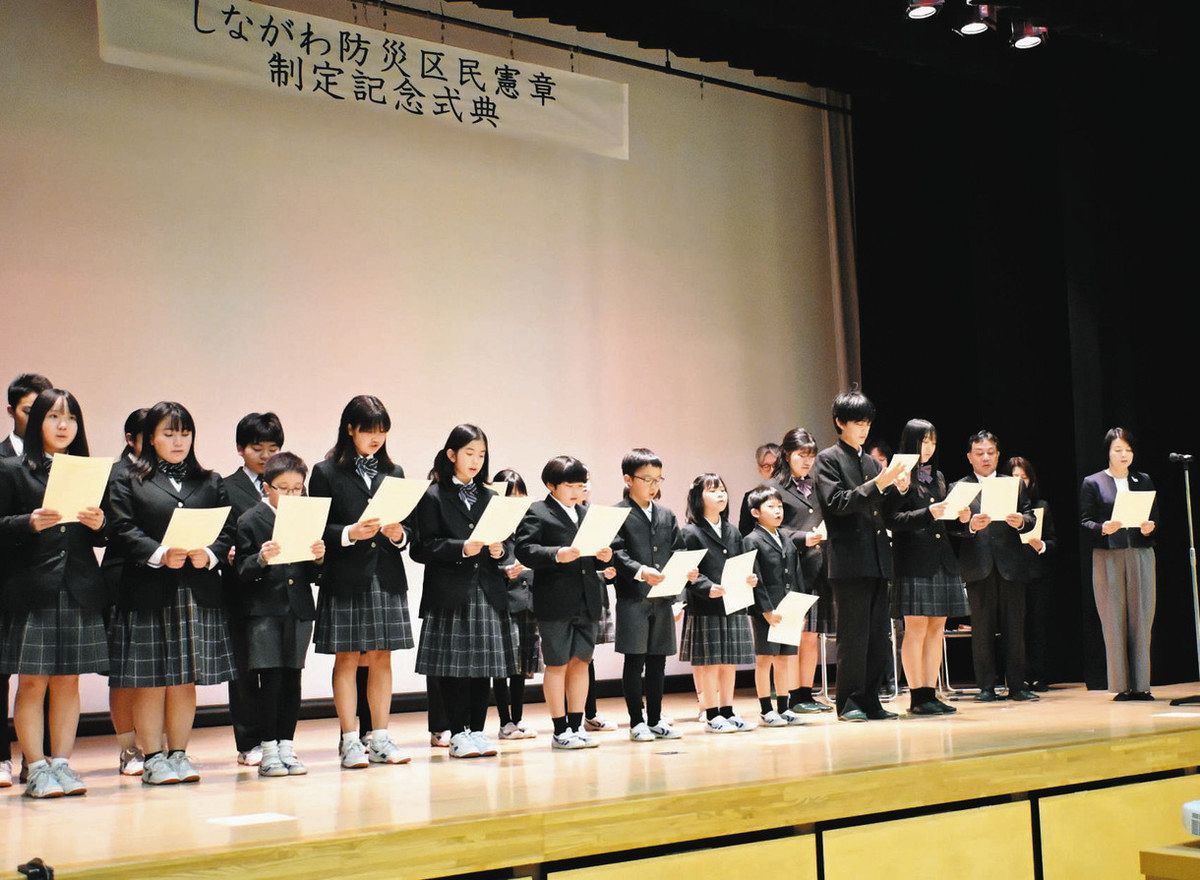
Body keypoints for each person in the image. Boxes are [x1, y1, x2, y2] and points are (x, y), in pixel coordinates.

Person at [107, 401, 238, 785]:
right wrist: (160, 553)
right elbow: (122, 528)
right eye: (168, 433)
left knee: (184, 679)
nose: (178, 441)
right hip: (147, 590)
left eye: (184, 433)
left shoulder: (210, 480)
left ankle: (179, 753)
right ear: (151, 438)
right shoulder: (128, 478)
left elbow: (228, 529)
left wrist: (209, 554)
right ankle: (152, 757)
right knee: (151, 680)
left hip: (195, 590)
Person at [0, 389, 108, 798]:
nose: (64, 426)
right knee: (32, 682)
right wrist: (27, 522)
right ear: (36, 422)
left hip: (78, 585)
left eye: (71, 418)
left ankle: (61, 762)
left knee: (68, 682)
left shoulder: (87, 470)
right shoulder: (12, 470)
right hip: (32, 588)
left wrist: (100, 524)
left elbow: (104, 535)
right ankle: (35, 766)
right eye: (54, 417)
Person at [309, 395, 414, 769]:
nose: (376, 438)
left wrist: (400, 534)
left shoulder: (394, 472)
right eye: (369, 430)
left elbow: (408, 530)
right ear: (350, 429)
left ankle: (380, 737)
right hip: (346, 576)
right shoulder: (325, 472)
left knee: (383, 656)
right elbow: (316, 527)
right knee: (348, 656)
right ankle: (350, 740)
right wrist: (349, 533)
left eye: (382, 431)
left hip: (385, 574)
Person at [412, 425, 517, 760]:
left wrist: (501, 550)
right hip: (450, 591)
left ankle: (477, 730)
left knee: (483, 666)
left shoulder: (492, 496)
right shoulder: (433, 495)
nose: (476, 460)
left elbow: (508, 543)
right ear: (451, 454)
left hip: (487, 589)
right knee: (454, 667)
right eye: (469, 453)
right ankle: (457, 732)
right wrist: (461, 548)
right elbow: (420, 548)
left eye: (481, 454)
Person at [814, 388, 907, 722]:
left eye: (867, 422)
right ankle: (849, 702)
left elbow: (884, 512)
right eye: (857, 422)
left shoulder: (870, 462)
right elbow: (838, 503)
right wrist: (880, 484)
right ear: (840, 422)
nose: (864, 429)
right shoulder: (827, 459)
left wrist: (899, 488)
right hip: (850, 560)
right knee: (853, 637)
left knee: (878, 637)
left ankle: (870, 699)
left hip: (878, 558)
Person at [234, 451, 322, 777]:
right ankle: (268, 749)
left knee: (292, 679)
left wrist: (318, 559)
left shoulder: (306, 518)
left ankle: (287, 745)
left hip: (298, 609)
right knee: (269, 680)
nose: (291, 495)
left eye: (297, 489)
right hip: (264, 612)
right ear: (266, 487)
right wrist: (260, 559)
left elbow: (314, 574)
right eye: (283, 489)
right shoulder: (250, 520)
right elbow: (241, 571)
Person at [514, 455, 611, 750]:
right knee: (557, 664)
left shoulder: (587, 513)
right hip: (555, 601)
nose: (576, 491)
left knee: (581, 662)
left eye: (581, 485)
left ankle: (576, 724)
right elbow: (524, 549)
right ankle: (559, 729)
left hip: (587, 599)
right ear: (551, 485)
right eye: (570, 485)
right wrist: (557, 553)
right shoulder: (538, 511)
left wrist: (604, 556)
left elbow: (595, 556)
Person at [884, 419, 971, 715]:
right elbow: (892, 520)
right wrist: (927, 512)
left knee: (936, 629)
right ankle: (917, 696)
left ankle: (930, 693)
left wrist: (962, 520)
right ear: (910, 442)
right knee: (916, 629)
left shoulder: (938, 476)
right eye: (924, 441)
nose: (929, 447)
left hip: (942, 560)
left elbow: (942, 522)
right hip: (913, 560)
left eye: (933, 442)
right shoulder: (899, 474)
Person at [611, 448, 696, 742]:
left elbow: (678, 551)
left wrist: (681, 588)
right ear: (628, 479)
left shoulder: (666, 514)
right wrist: (640, 571)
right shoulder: (618, 513)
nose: (653, 485)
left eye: (658, 479)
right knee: (635, 660)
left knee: (658, 661)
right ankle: (636, 721)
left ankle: (656, 719)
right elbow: (616, 552)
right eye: (646, 479)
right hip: (633, 598)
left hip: (663, 599)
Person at [953, 430, 1039, 703]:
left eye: (990, 452)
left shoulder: (1013, 484)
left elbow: (1030, 516)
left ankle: (1017, 686)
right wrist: (969, 526)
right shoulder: (960, 487)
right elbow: (950, 527)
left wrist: (1021, 522)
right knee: (982, 630)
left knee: (1015, 628)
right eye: (979, 453)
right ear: (969, 457)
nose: (986, 458)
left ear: (998, 455)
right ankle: (986, 687)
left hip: (1011, 565)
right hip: (978, 566)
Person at [223, 411, 285, 769]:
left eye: (273, 448)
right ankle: (248, 742)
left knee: (279, 670)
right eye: (256, 448)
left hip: (279, 590)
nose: (265, 456)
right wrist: (228, 551)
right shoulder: (225, 486)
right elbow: (219, 532)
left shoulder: (288, 486)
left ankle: (276, 738)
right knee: (244, 669)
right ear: (240, 448)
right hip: (241, 588)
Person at [1079, 427, 1158, 700]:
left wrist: (1150, 527)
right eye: (1118, 450)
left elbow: (1155, 517)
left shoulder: (1143, 480)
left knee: (1142, 617)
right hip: (1108, 555)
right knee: (1113, 619)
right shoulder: (1093, 482)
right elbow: (1085, 521)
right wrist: (1102, 527)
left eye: (1128, 450)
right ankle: (1121, 686)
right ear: (1108, 452)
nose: (1124, 455)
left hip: (1140, 553)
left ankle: (1142, 685)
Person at [0, 372, 52, 788]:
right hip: (7, 577)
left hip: (48, 577)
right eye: (28, 411)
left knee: (48, 672)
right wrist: (26, 523)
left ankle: (41, 759)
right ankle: (1, 755)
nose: (36, 420)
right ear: (11, 411)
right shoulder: (2, 460)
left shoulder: (63, 462)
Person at [680, 473, 756, 732]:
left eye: (722, 489)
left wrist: (749, 578)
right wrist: (705, 587)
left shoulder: (732, 530)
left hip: (732, 603)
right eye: (712, 490)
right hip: (706, 605)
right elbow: (688, 571)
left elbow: (741, 563)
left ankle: (728, 710)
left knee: (729, 661)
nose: (720, 494)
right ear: (698, 497)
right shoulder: (690, 532)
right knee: (710, 662)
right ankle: (712, 714)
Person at [106, 407, 149, 777]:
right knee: (124, 671)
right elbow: (118, 530)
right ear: (130, 439)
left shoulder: (169, 474)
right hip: (124, 577)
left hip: (162, 577)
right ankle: (127, 748)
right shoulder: (117, 473)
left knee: (158, 670)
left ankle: (155, 745)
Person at [743, 485, 806, 727]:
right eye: (771, 506)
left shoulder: (786, 539)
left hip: (788, 607)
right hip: (766, 610)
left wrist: (799, 607)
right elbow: (755, 578)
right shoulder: (751, 540)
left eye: (779, 506)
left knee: (783, 659)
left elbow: (797, 574)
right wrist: (766, 610)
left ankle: (784, 707)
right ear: (756, 512)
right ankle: (765, 709)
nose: (778, 511)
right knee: (765, 659)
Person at [490, 469, 540, 740]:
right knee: (502, 667)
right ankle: (504, 722)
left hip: (527, 602)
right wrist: (503, 571)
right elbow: (482, 569)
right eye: (511, 497)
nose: (517, 503)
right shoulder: (492, 528)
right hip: (502, 604)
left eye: (521, 497)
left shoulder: (528, 528)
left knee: (522, 666)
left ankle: (517, 719)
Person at [1007, 456, 1056, 692]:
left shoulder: (1041, 506)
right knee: (1015, 627)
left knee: (1037, 626)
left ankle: (1039, 675)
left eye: (1023, 478)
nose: (1019, 482)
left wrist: (1042, 545)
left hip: (1036, 573)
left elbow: (1053, 541)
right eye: (1014, 477)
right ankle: (1019, 676)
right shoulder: (1001, 507)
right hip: (1010, 574)